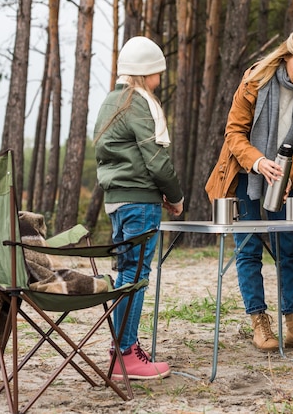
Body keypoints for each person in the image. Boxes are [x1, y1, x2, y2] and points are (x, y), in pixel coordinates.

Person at [205, 26, 293, 352]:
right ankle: (259, 322)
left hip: (287, 180)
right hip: (245, 174)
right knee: (249, 249)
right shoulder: (255, 82)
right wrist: (259, 162)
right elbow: (234, 134)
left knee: (288, 249)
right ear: (286, 56)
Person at [94, 36, 184, 380]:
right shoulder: (138, 102)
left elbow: (120, 157)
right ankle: (126, 355)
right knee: (135, 276)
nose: (159, 81)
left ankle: (122, 349)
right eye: (157, 74)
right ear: (146, 73)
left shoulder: (110, 102)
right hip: (140, 204)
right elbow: (157, 162)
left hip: (116, 202)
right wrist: (174, 197)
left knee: (126, 273)